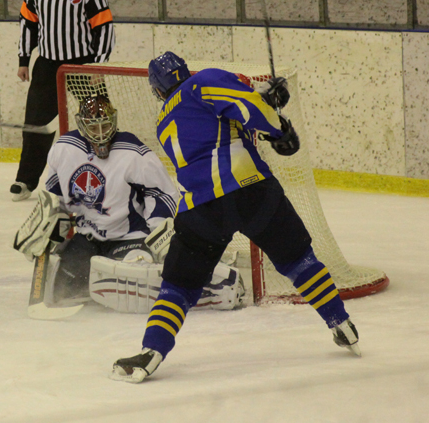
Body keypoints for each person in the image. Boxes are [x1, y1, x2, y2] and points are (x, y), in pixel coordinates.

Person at [110, 52, 361, 383]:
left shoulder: (162, 122)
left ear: (158, 91)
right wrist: (277, 122)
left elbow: (216, 123)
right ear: (185, 72)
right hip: (251, 192)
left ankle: (151, 351)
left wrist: (265, 100)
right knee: (298, 259)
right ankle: (341, 323)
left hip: (201, 209)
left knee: (178, 286)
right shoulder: (202, 81)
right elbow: (244, 107)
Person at [14, 95, 245, 312]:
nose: (102, 133)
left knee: (134, 279)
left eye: (106, 125)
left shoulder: (134, 152)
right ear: (82, 126)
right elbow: (56, 198)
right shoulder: (63, 149)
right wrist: (48, 224)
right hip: (88, 238)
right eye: (94, 127)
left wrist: (162, 236)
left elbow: (163, 194)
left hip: (130, 238)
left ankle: (207, 283)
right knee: (63, 291)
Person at [11, 0, 115, 202]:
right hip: (46, 64)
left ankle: (112, 170)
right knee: (35, 124)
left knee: (99, 120)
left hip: (82, 65)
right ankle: (25, 180)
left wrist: (98, 65)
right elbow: (27, 21)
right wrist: (24, 59)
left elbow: (103, 26)